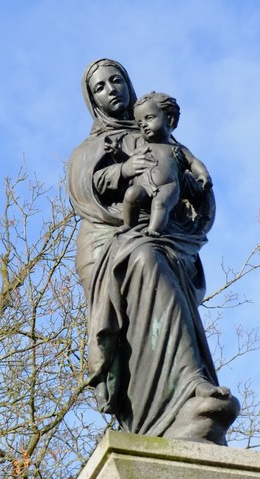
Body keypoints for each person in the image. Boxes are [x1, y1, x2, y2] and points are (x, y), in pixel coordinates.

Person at [67, 59, 239, 445]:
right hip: (107, 240)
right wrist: (124, 170)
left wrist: (193, 186)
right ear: (92, 99)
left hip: (162, 236)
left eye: (116, 80)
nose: (111, 89)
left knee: (159, 274)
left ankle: (187, 390)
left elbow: (185, 182)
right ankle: (186, 387)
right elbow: (85, 189)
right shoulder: (88, 149)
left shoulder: (159, 135)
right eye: (100, 87)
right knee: (146, 260)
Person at [117, 92, 212, 237]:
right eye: (140, 124)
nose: (144, 125)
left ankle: (154, 229)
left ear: (170, 119)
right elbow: (129, 160)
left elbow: (193, 161)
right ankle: (129, 224)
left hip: (168, 186)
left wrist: (203, 174)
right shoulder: (143, 147)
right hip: (145, 185)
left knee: (160, 203)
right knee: (131, 194)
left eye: (149, 118)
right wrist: (116, 152)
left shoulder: (177, 148)